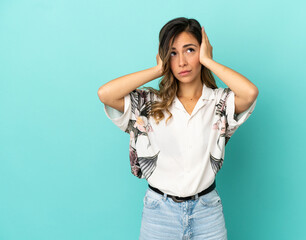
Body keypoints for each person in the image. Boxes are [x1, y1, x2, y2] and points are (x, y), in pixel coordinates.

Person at [97, 17, 258, 240]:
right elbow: (105, 94)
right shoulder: (149, 103)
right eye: (173, 53)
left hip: (207, 212)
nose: (182, 61)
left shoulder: (219, 103)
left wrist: (208, 61)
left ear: (202, 51)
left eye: (189, 50)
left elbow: (249, 93)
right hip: (159, 213)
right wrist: (157, 69)